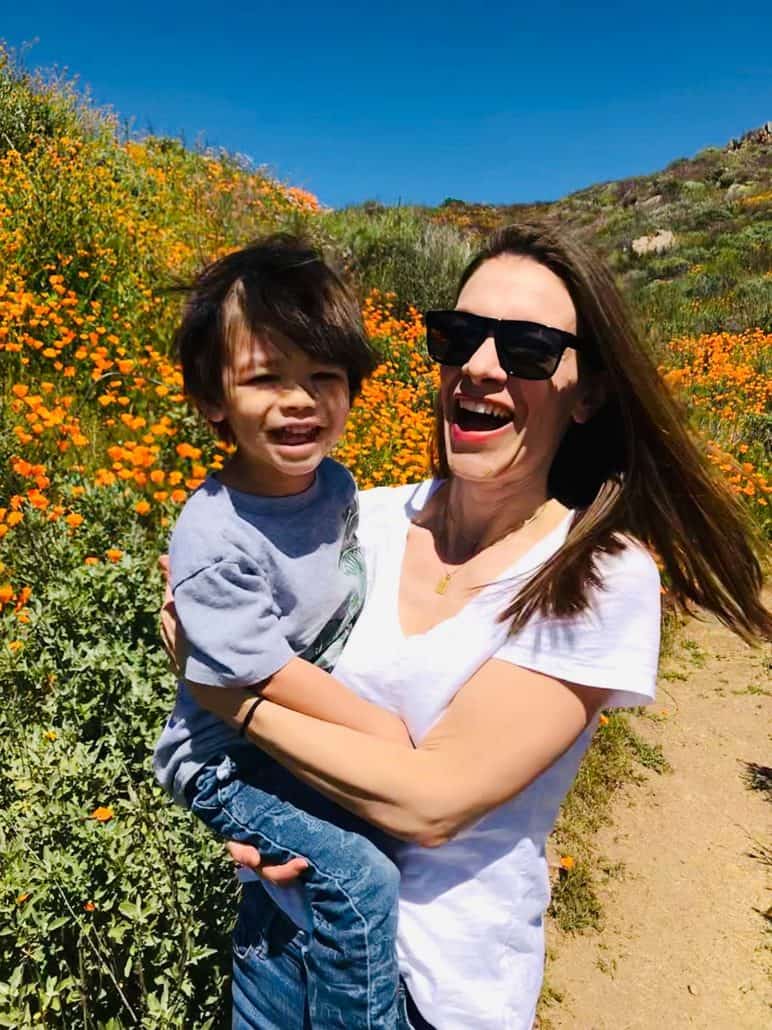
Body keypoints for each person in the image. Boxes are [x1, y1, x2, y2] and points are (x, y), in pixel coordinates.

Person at [167, 222, 771, 1029]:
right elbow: (217, 602)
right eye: (458, 337)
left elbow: (433, 802)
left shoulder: (594, 574)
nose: (480, 366)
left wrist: (229, 700)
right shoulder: (359, 520)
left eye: (525, 348)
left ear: (587, 392)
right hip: (280, 941)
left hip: (434, 992)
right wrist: (262, 800)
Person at [153, 235, 421, 1030]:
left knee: (294, 894)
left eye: (323, 377)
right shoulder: (213, 539)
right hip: (226, 761)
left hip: (290, 743)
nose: (300, 400)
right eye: (267, 378)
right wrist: (386, 735)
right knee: (359, 883)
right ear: (213, 399)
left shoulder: (334, 486)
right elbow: (263, 676)